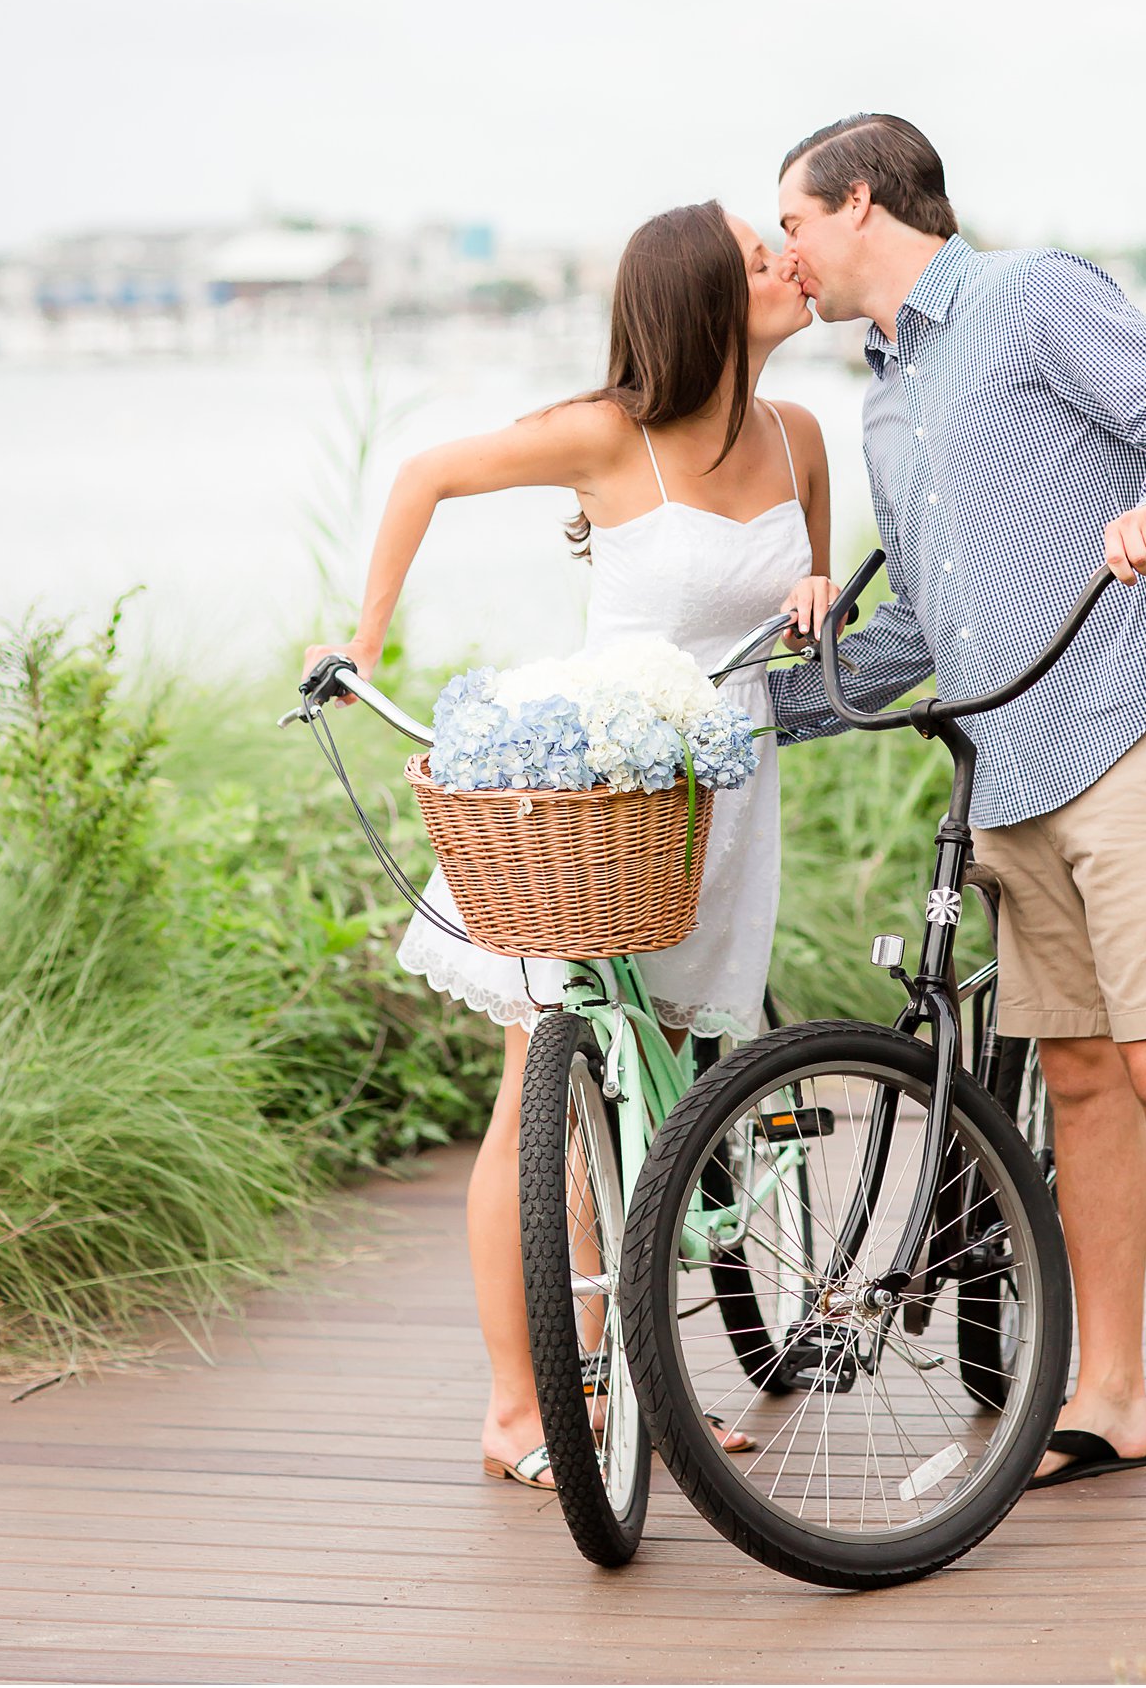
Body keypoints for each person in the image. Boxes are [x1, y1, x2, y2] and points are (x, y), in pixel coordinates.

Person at [769, 113, 1146, 1520]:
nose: (787, 254)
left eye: (796, 224)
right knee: (1088, 1080)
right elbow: (920, 623)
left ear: (860, 202)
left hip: (1129, 722)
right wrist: (741, 714)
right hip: (1011, 767)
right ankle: (1107, 1396)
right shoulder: (882, 399)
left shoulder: (1029, 295)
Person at [305, 200, 838, 1492]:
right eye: (762, 257)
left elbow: (804, 601)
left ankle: (646, 1394)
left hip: (722, 795)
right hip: (595, 798)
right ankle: (517, 1403)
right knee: (545, 1101)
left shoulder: (802, 436)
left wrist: (816, 597)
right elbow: (425, 471)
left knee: (664, 1113)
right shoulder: (610, 432)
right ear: (710, 297)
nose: (788, 264)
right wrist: (362, 642)